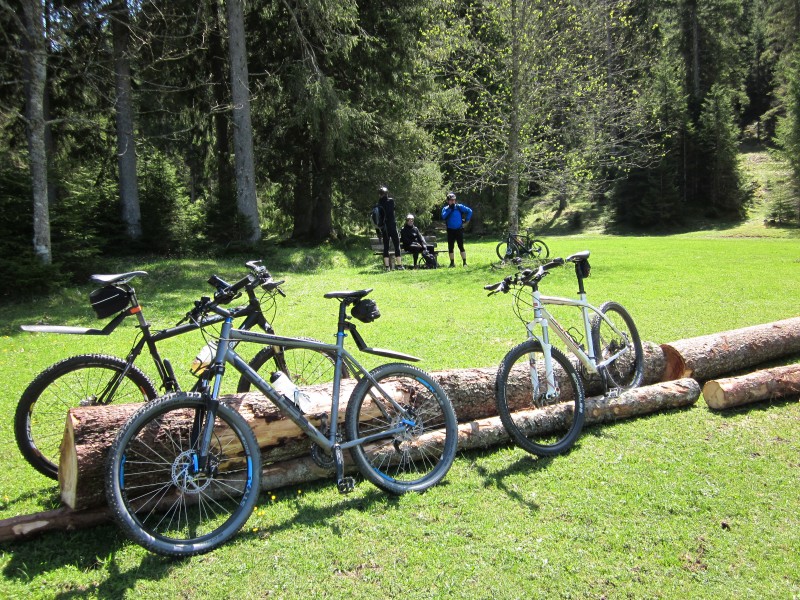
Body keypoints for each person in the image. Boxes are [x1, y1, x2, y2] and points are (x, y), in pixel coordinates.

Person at [441, 191, 472, 267]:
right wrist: (450, 210)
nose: (453, 201)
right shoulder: (445, 209)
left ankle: (464, 263)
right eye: (451, 200)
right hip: (450, 230)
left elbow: (470, 211)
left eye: (454, 200)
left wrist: (466, 219)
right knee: (450, 247)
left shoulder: (459, 207)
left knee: (461, 246)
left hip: (459, 229)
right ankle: (452, 263)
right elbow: (443, 216)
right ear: (448, 201)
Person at [377, 186, 403, 271]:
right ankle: (399, 265)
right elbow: (393, 210)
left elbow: (378, 219)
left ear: (380, 195)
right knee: (396, 245)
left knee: (386, 247)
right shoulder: (391, 201)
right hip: (392, 226)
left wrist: (378, 231)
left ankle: (387, 267)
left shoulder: (378, 205)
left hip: (384, 228)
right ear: (386, 193)